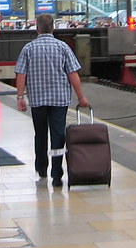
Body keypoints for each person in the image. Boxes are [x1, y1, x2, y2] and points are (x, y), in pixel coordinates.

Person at [14, 13, 90, 187]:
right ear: (53, 28)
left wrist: (20, 97)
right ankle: (57, 174)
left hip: (38, 100)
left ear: (37, 28)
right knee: (58, 136)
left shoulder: (28, 48)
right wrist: (81, 97)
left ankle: (41, 168)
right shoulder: (62, 47)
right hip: (59, 100)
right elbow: (73, 74)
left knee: (40, 135)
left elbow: (21, 74)